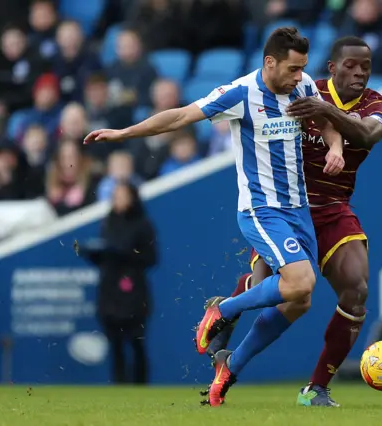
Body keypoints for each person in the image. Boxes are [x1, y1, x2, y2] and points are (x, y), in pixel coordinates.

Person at [84, 27, 344, 407]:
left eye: (302, 68)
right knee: (300, 280)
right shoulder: (240, 93)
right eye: (292, 68)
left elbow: (327, 121)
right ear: (269, 62)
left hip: (298, 209)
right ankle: (221, 311)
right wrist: (124, 133)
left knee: (299, 300)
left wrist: (335, 146)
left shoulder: (303, 86)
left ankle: (230, 367)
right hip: (261, 209)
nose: (298, 76)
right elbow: (180, 116)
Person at [208, 36, 382, 407]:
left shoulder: (377, 103)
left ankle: (316, 389)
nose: (359, 73)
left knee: (356, 291)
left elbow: (368, 133)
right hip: (285, 210)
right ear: (332, 67)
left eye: (365, 67)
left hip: (333, 208)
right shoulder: (301, 86)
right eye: (351, 66)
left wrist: (325, 112)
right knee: (276, 292)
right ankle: (234, 302)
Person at [79, 182, 157, 384]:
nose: (118, 200)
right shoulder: (108, 222)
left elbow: (151, 257)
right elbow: (105, 253)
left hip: (133, 290)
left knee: (136, 341)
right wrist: (96, 255)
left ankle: (141, 384)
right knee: (115, 342)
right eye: (115, 196)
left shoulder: (143, 224)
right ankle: (119, 383)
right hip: (110, 288)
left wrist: (124, 254)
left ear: (133, 198)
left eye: (123, 196)